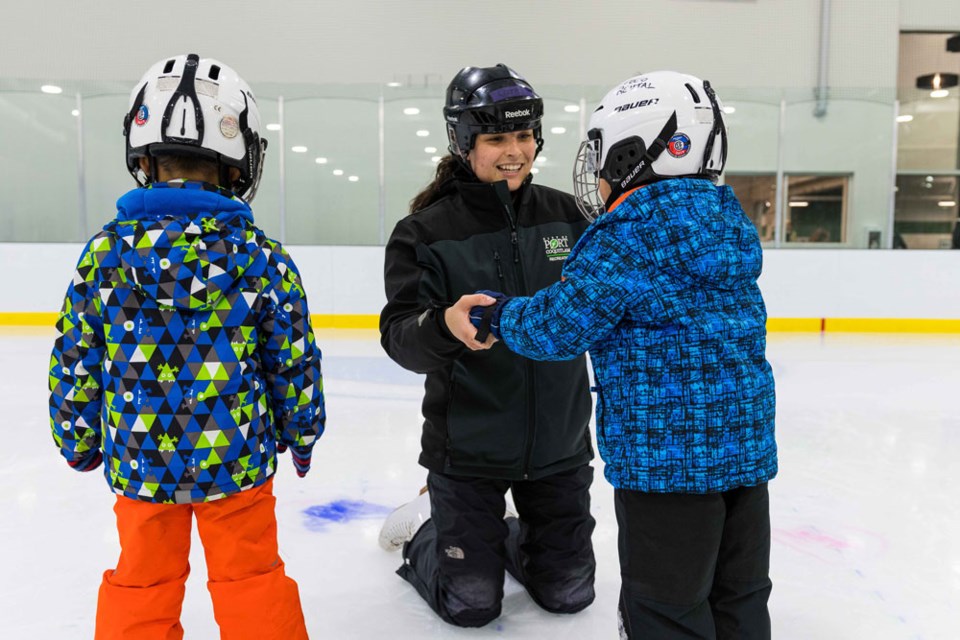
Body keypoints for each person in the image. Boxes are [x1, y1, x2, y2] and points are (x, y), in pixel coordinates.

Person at [457, 71, 778, 639]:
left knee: (667, 608)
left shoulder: (630, 231)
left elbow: (557, 328)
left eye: (607, 156)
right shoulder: (727, 220)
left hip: (667, 469)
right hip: (745, 460)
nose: (600, 173)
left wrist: (496, 313)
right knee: (740, 598)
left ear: (638, 150)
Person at [47, 54, 325, 640]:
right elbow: (293, 362)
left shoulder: (105, 254)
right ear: (236, 163)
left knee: (142, 581)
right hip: (237, 460)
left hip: (142, 463)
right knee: (251, 577)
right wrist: (301, 433)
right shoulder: (262, 258)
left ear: (143, 158)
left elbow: (76, 357)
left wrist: (77, 438)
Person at [377, 63, 597, 628]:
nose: (514, 151)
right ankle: (431, 525)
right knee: (471, 606)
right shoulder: (425, 231)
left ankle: (497, 537)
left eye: (523, 136)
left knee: (569, 593)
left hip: (559, 445)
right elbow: (400, 335)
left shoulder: (569, 217)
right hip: (468, 449)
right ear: (464, 140)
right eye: (496, 137)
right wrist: (444, 326)